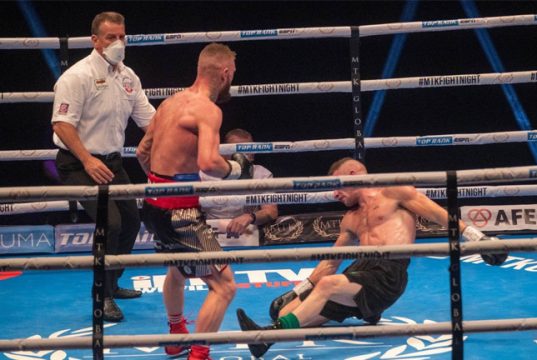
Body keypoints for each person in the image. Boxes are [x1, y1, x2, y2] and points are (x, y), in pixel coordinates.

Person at [237, 157, 507, 358]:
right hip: (360, 270)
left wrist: (477, 237)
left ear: (353, 174)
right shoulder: (351, 218)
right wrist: (296, 291)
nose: (334, 193)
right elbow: (332, 260)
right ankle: (365, 311)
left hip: (388, 271)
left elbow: (437, 214)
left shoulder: (394, 191)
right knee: (288, 311)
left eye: (337, 185)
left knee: (329, 285)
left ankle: (267, 338)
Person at [136, 43, 250, 360]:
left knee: (177, 270)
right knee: (224, 286)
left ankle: (176, 337)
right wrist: (237, 170)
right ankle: (198, 354)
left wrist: (161, 184)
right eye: (233, 73)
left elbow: (143, 152)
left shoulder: (170, 103)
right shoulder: (208, 110)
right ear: (225, 73)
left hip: (153, 205)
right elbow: (209, 162)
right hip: (180, 211)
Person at [52, 11, 155, 322]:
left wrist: (148, 141)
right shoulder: (76, 76)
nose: (118, 42)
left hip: (111, 162)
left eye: (122, 36)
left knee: (132, 221)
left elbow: (151, 119)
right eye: (111, 37)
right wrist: (86, 159)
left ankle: (113, 282)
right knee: (110, 225)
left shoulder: (128, 76)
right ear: (95, 40)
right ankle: (103, 295)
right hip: (77, 162)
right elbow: (61, 124)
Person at [201, 128, 278, 239]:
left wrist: (250, 217)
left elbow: (271, 211)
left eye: (249, 149)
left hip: (247, 234)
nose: (246, 154)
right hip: (209, 234)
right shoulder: (205, 174)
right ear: (224, 152)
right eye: (239, 149)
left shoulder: (262, 174)